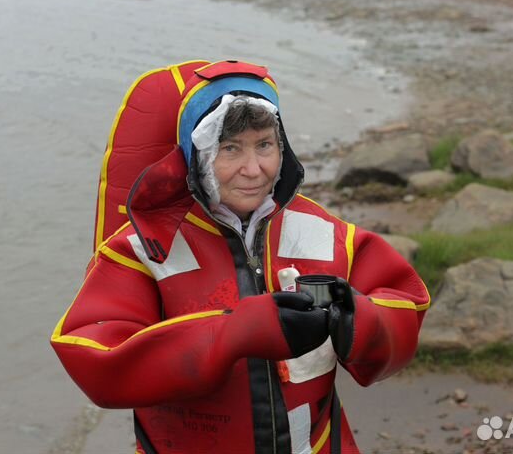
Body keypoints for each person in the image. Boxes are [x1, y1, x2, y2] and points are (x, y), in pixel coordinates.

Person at [50, 60, 430, 454]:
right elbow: (96, 363)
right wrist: (231, 335)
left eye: (264, 145)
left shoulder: (326, 233)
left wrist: (363, 322)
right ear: (195, 156)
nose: (253, 170)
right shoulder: (142, 248)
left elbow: (405, 304)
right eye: (230, 149)